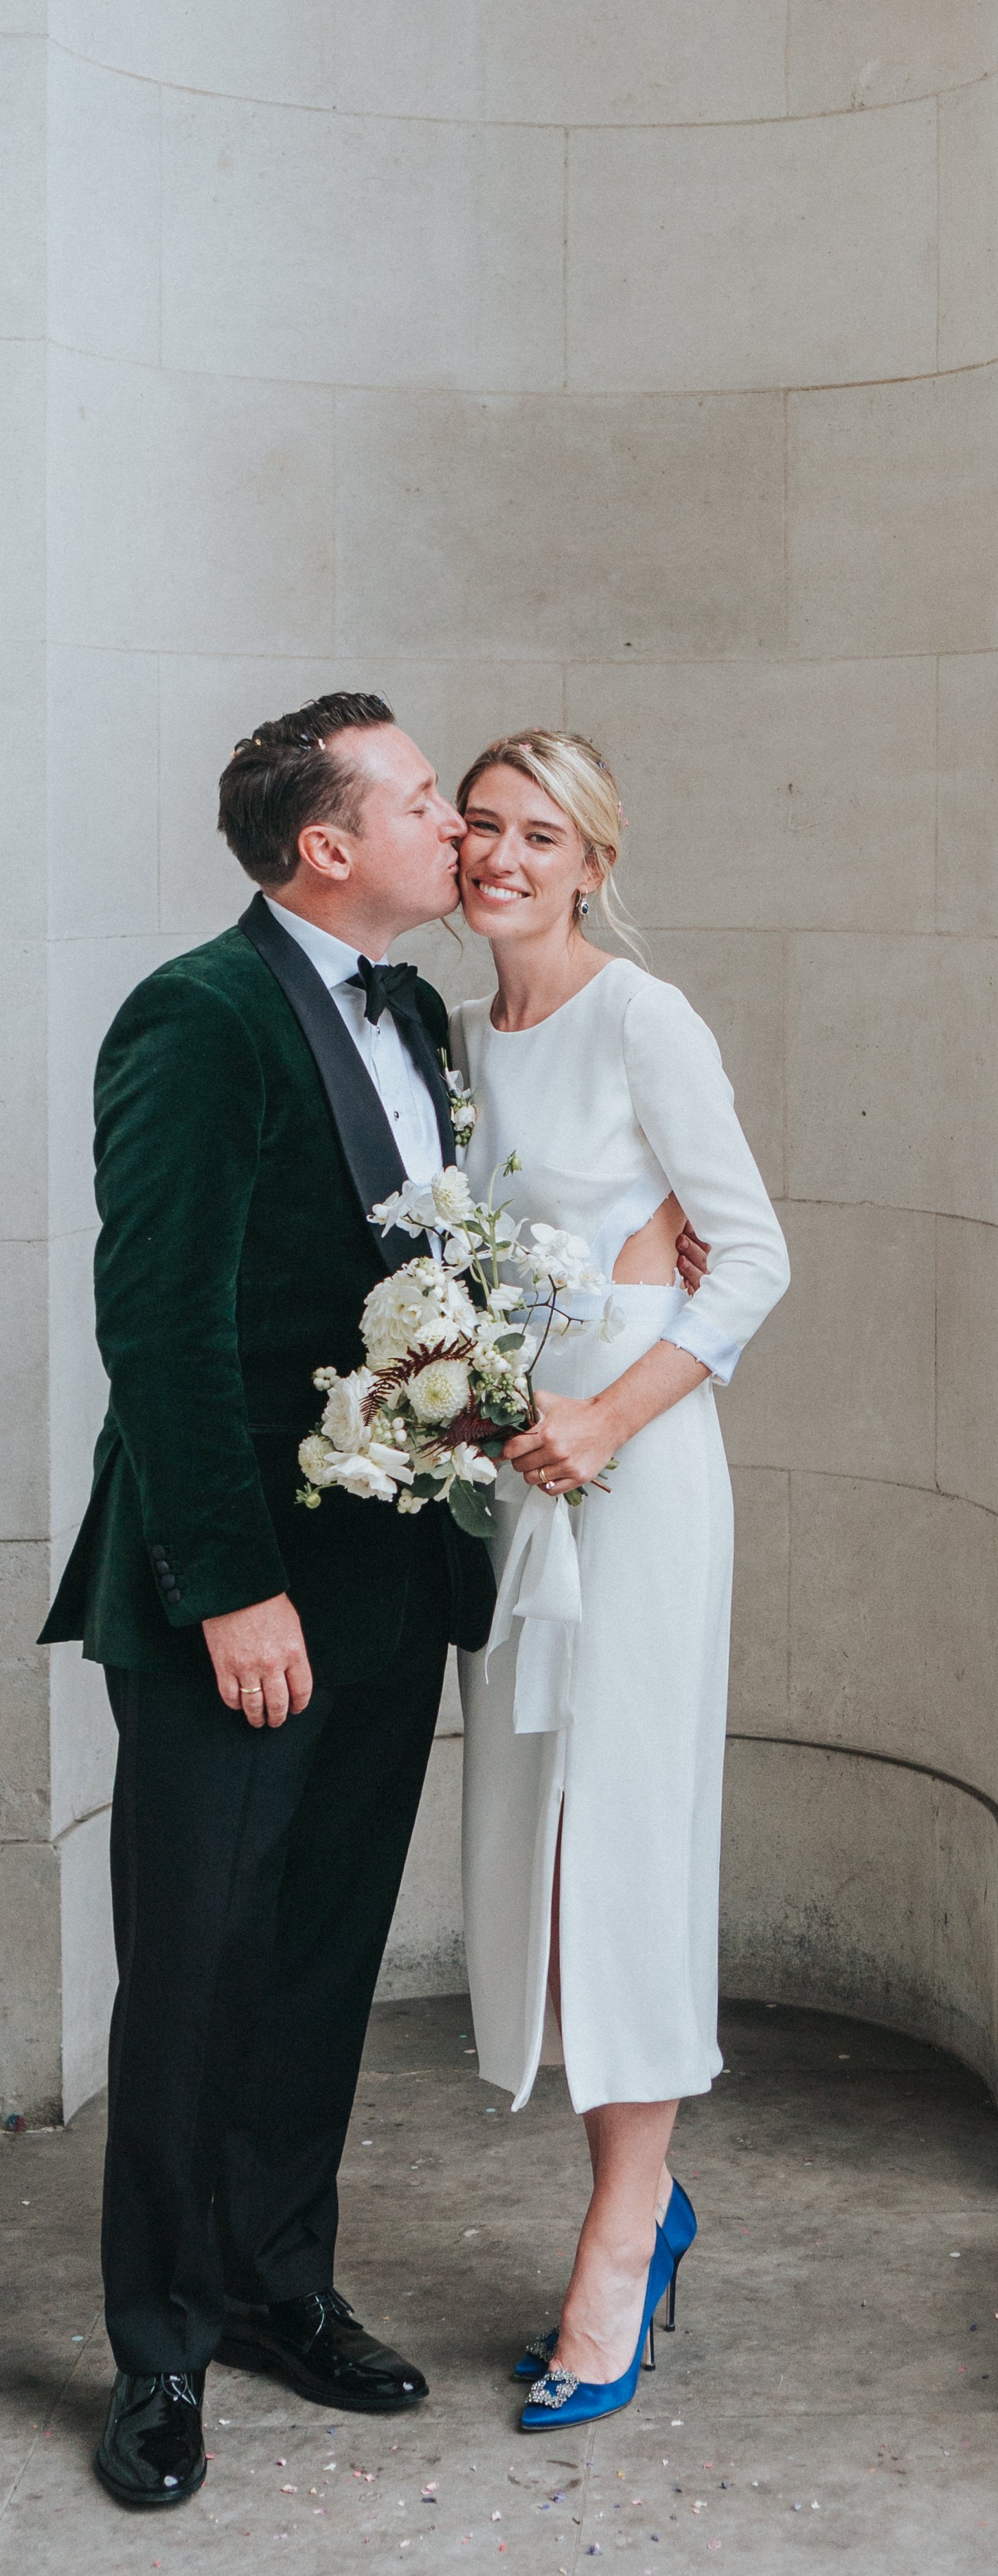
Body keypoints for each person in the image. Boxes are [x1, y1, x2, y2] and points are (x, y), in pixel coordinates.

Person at [40, 694, 503, 2511]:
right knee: (198, 1969)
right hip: (238, 1599)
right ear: (327, 845)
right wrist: (229, 1588)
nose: (451, 824)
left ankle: (273, 2282)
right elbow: (157, 1323)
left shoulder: (421, 1017)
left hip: (392, 1583)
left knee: (319, 1960)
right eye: (415, 800)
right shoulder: (199, 1012)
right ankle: (157, 2343)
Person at [451, 730, 789, 2432]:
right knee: (550, 1843)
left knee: (627, 1837)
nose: (499, 857)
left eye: (537, 835)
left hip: (638, 1483)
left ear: (592, 861)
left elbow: (757, 1254)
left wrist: (606, 1410)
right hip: (520, 1492)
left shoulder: (641, 1017)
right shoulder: (457, 1039)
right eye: (480, 829)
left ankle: (617, 2238)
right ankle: (639, 2205)